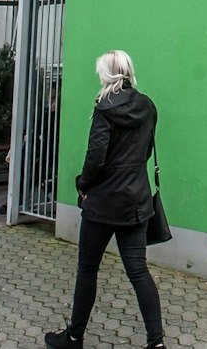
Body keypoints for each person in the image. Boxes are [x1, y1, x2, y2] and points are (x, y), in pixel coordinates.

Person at [45, 50, 164, 349]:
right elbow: (147, 151)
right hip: (136, 201)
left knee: (88, 269)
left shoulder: (103, 107)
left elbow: (95, 157)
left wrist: (83, 184)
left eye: (101, 71)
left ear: (108, 74)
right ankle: (157, 343)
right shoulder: (148, 106)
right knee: (138, 271)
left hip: (103, 203)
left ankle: (73, 338)